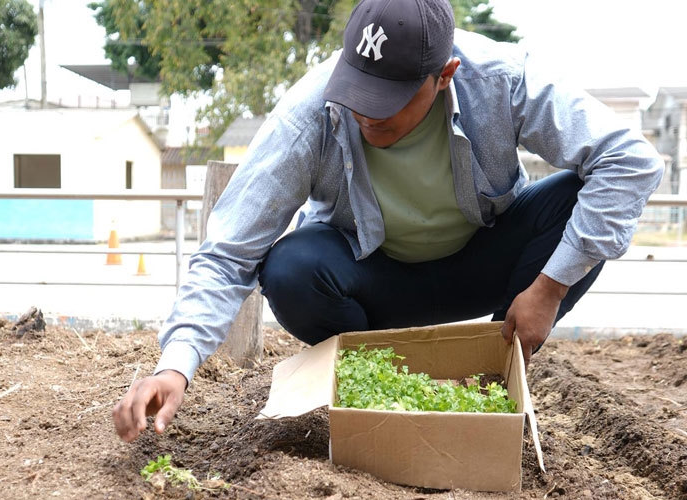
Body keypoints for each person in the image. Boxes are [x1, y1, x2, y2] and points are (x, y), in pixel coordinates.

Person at [113, 0, 663, 442]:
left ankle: (491, 376)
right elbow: (230, 249)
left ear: (444, 74)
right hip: (376, 281)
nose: (366, 113)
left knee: (579, 197)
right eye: (359, 91)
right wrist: (174, 366)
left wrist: (549, 288)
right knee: (290, 267)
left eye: (389, 100)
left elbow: (632, 161)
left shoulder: (499, 79)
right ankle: (382, 384)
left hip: (487, 262)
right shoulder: (315, 110)